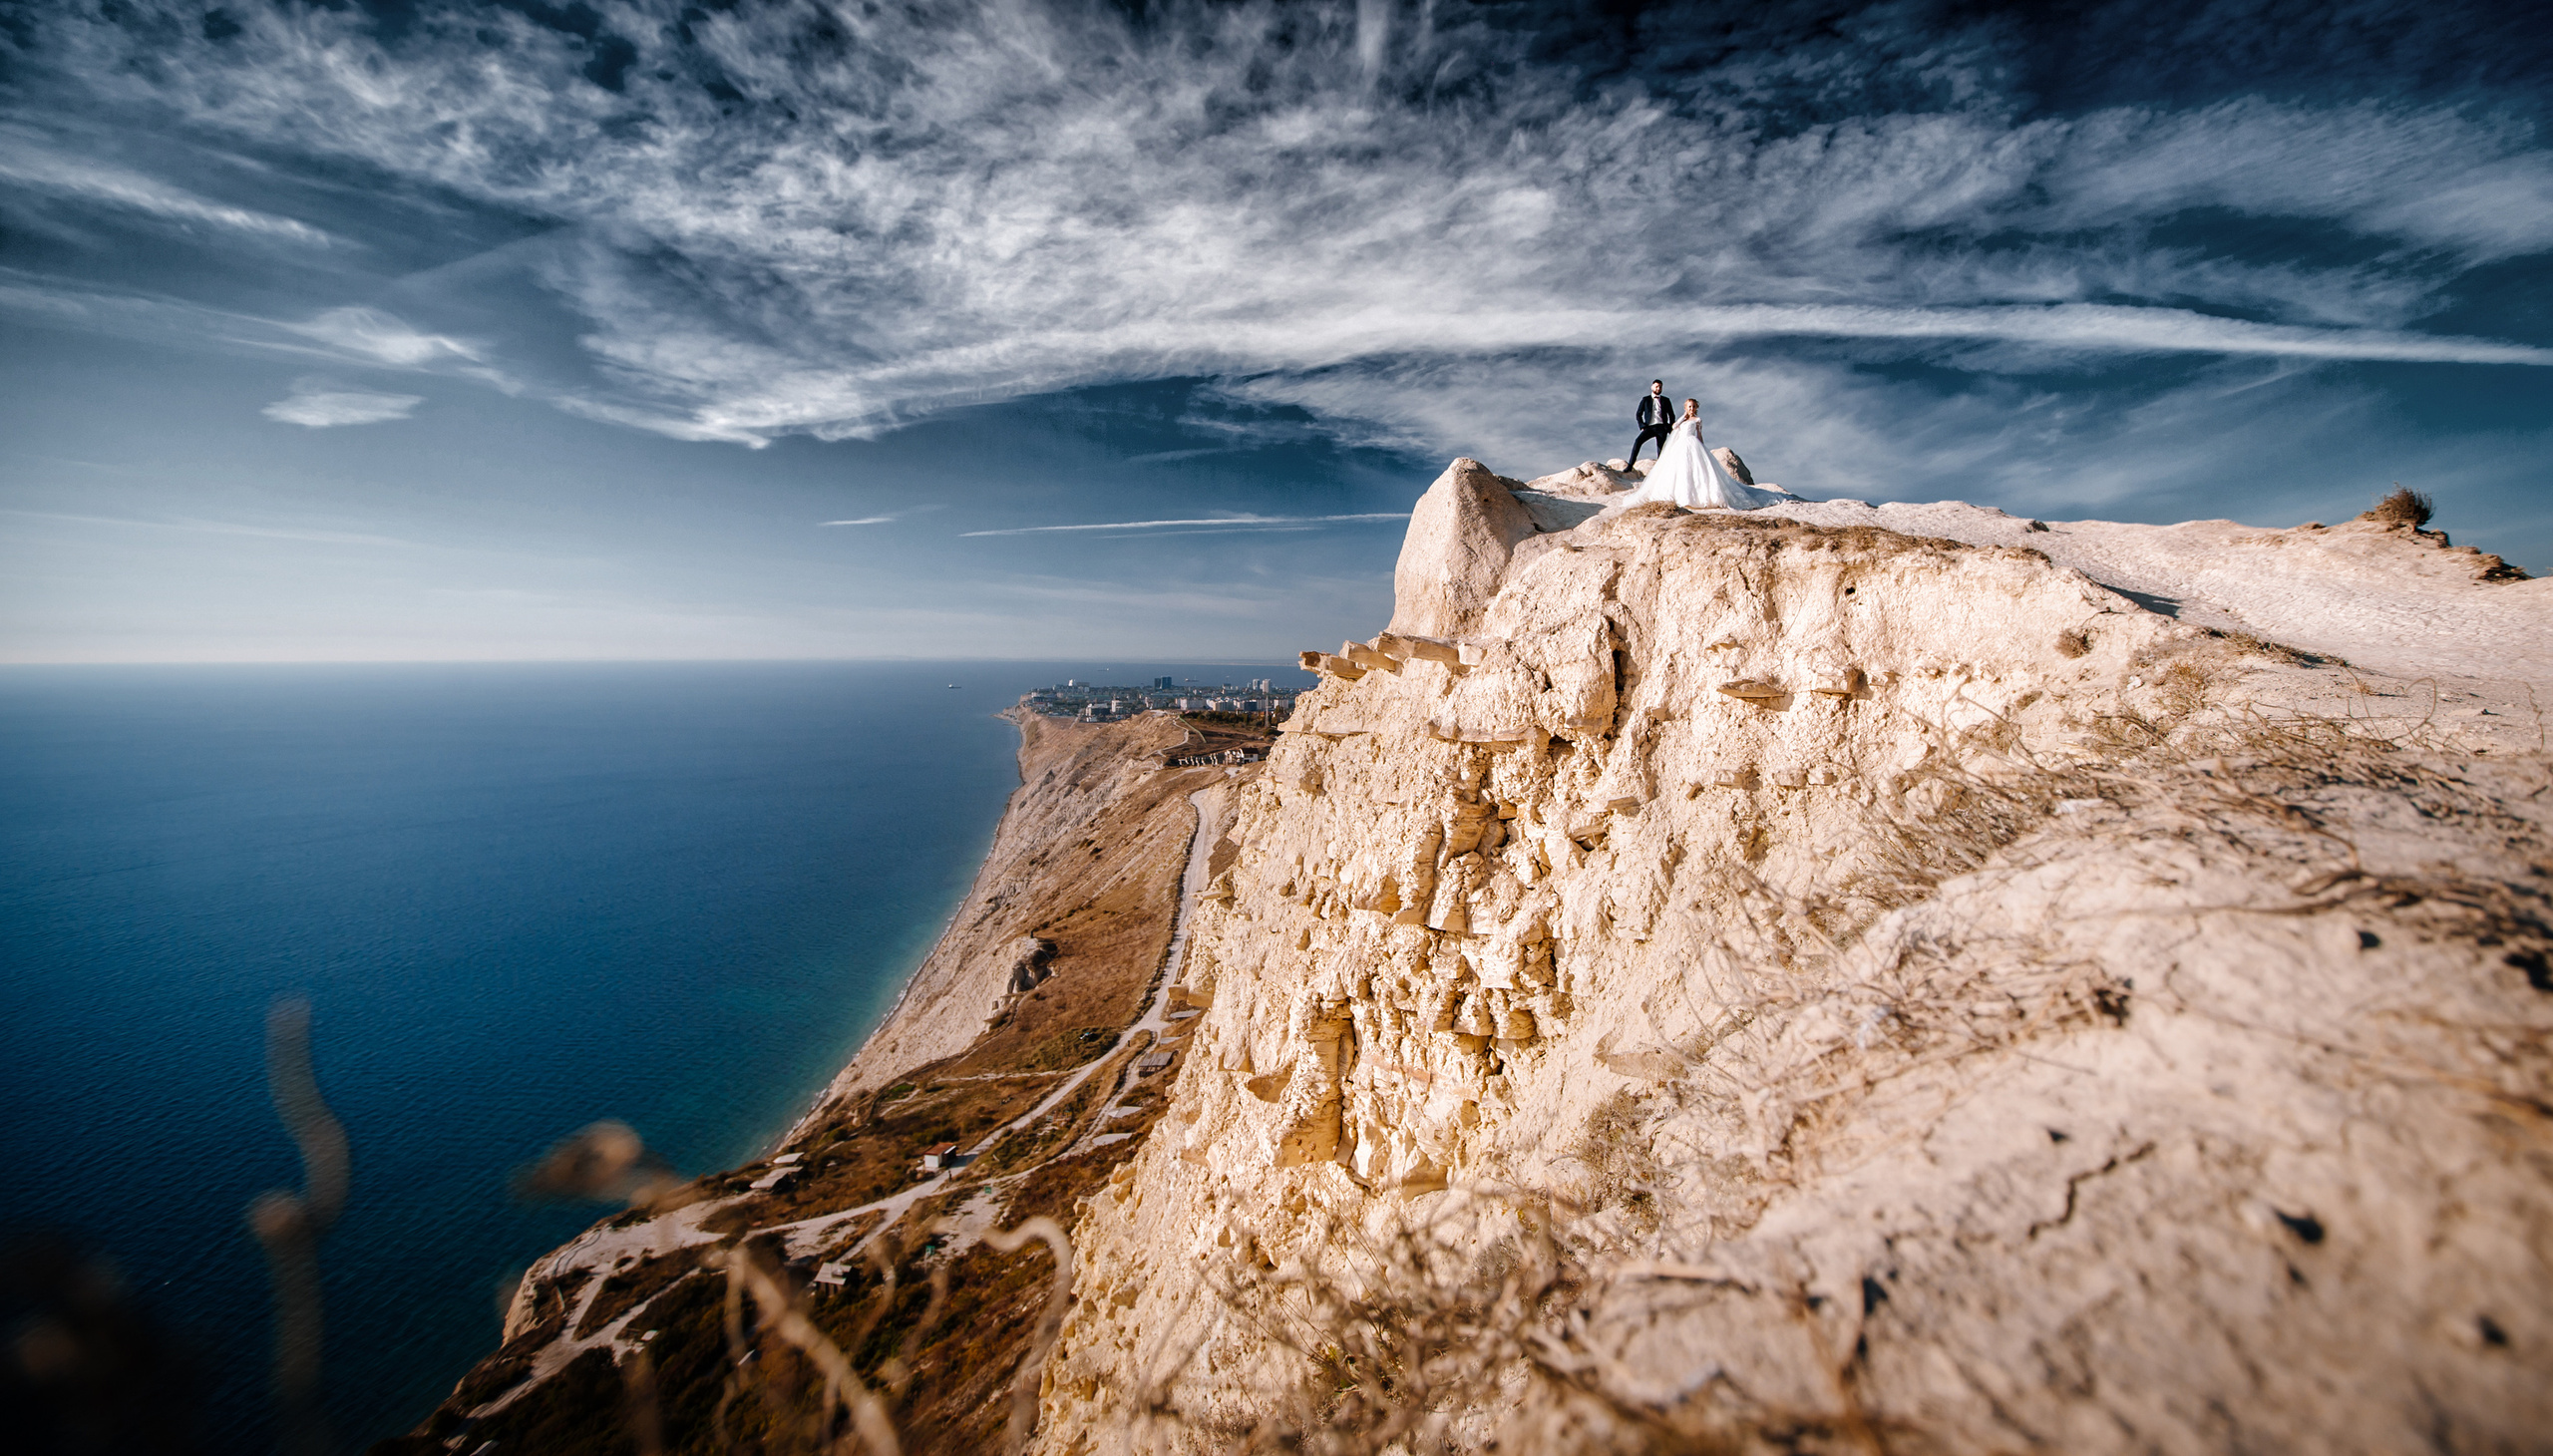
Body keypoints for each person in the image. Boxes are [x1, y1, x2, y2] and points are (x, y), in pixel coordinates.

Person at [1619, 399, 1775, 511]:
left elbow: (1699, 434)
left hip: (1692, 443)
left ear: (1696, 408)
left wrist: (1702, 446)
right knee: (1679, 470)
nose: (1691, 409)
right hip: (1681, 445)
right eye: (1689, 406)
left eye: (1693, 406)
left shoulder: (1698, 419)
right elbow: (1674, 427)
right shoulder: (1684, 419)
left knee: (1696, 469)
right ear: (1686, 407)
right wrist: (1683, 417)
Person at [1630, 380, 1675, 467]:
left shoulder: (1666, 400)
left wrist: (1670, 426)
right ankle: (1630, 465)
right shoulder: (1645, 399)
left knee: (1661, 449)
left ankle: (1661, 468)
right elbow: (1638, 414)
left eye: (1660, 387)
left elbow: (1671, 414)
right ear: (1652, 387)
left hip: (1662, 427)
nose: (1658, 388)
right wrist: (1642, 425)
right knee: (1638, 441)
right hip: (1649, 427)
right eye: (1656, 386)